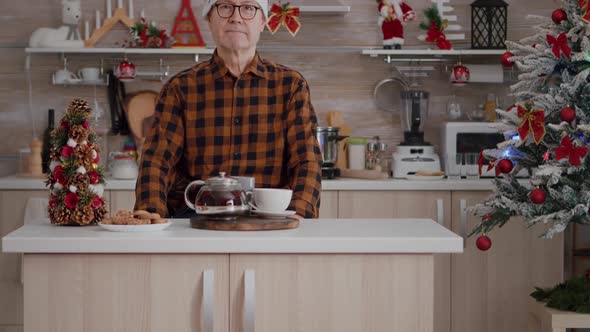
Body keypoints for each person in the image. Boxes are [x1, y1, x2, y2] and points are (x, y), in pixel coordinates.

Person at [134, 0, 322, 219]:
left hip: (269, 220)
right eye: (225, 6)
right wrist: (150, 213)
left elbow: (307, 160)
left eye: (248, 7)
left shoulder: (290, 85)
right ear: (209, 19)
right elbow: (157, 160)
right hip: (194, 220)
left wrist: (299, 211)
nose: (236, 16)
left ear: (262, 21)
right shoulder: (180, 88)